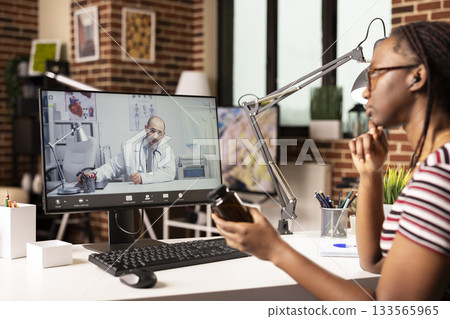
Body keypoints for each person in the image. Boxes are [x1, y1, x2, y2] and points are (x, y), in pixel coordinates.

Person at [212, 21, 450, 300]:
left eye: (374, 73)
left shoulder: (439, 176)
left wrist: (275, 251)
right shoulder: (438, 166)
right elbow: (373, 261)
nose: (364, 91)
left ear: (417, 77)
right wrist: (370, 174)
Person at [80, 116, 176, 184]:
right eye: (152, 131)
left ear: (163, 134)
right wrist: (93, 175)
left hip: (159, 195)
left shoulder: (167, 149)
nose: (155, 136)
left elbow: (170, 173)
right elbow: (113, 168)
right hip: (136, 196)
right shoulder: (131, 147)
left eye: (159, 133)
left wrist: (143, 178)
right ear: (146, 128)